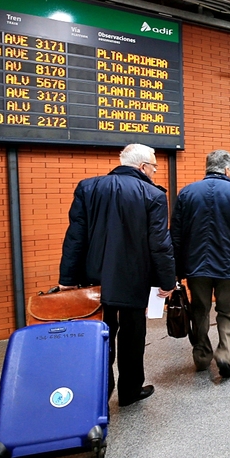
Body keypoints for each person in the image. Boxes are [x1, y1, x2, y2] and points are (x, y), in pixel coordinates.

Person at [59, 143, 175, 407]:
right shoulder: (152, 195)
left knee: (100, 335)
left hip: (94, 279)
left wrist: (67, 278)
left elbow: (75, 237)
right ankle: (130, 391)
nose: (155, 172)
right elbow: (159, 244)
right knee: (133, 336)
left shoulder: (88, 188)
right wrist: (167, 281)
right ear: (143, 167)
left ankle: (101, 389)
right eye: (154, 167)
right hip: (134, 278)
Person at [173, 150, 230, 381]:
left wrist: (178, 265)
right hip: (229, 265)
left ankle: (202, 356)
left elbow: (176, 233)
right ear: (226, 169)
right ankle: (224, 353)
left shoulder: (187, 193)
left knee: (199, 311)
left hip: (196, 266)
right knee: (227, 311)